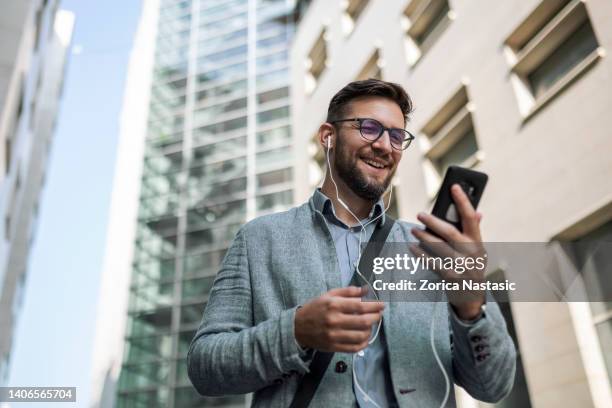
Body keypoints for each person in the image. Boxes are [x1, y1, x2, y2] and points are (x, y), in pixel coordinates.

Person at [187, 79, 516, 407]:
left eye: (397, 136)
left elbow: (494, 386)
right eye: (370, 128)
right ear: (328, 137)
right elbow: (205, 368)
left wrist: (471, 307)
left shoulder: (433, 250)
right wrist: (295, 332)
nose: (385, 146)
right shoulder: (259, 239)